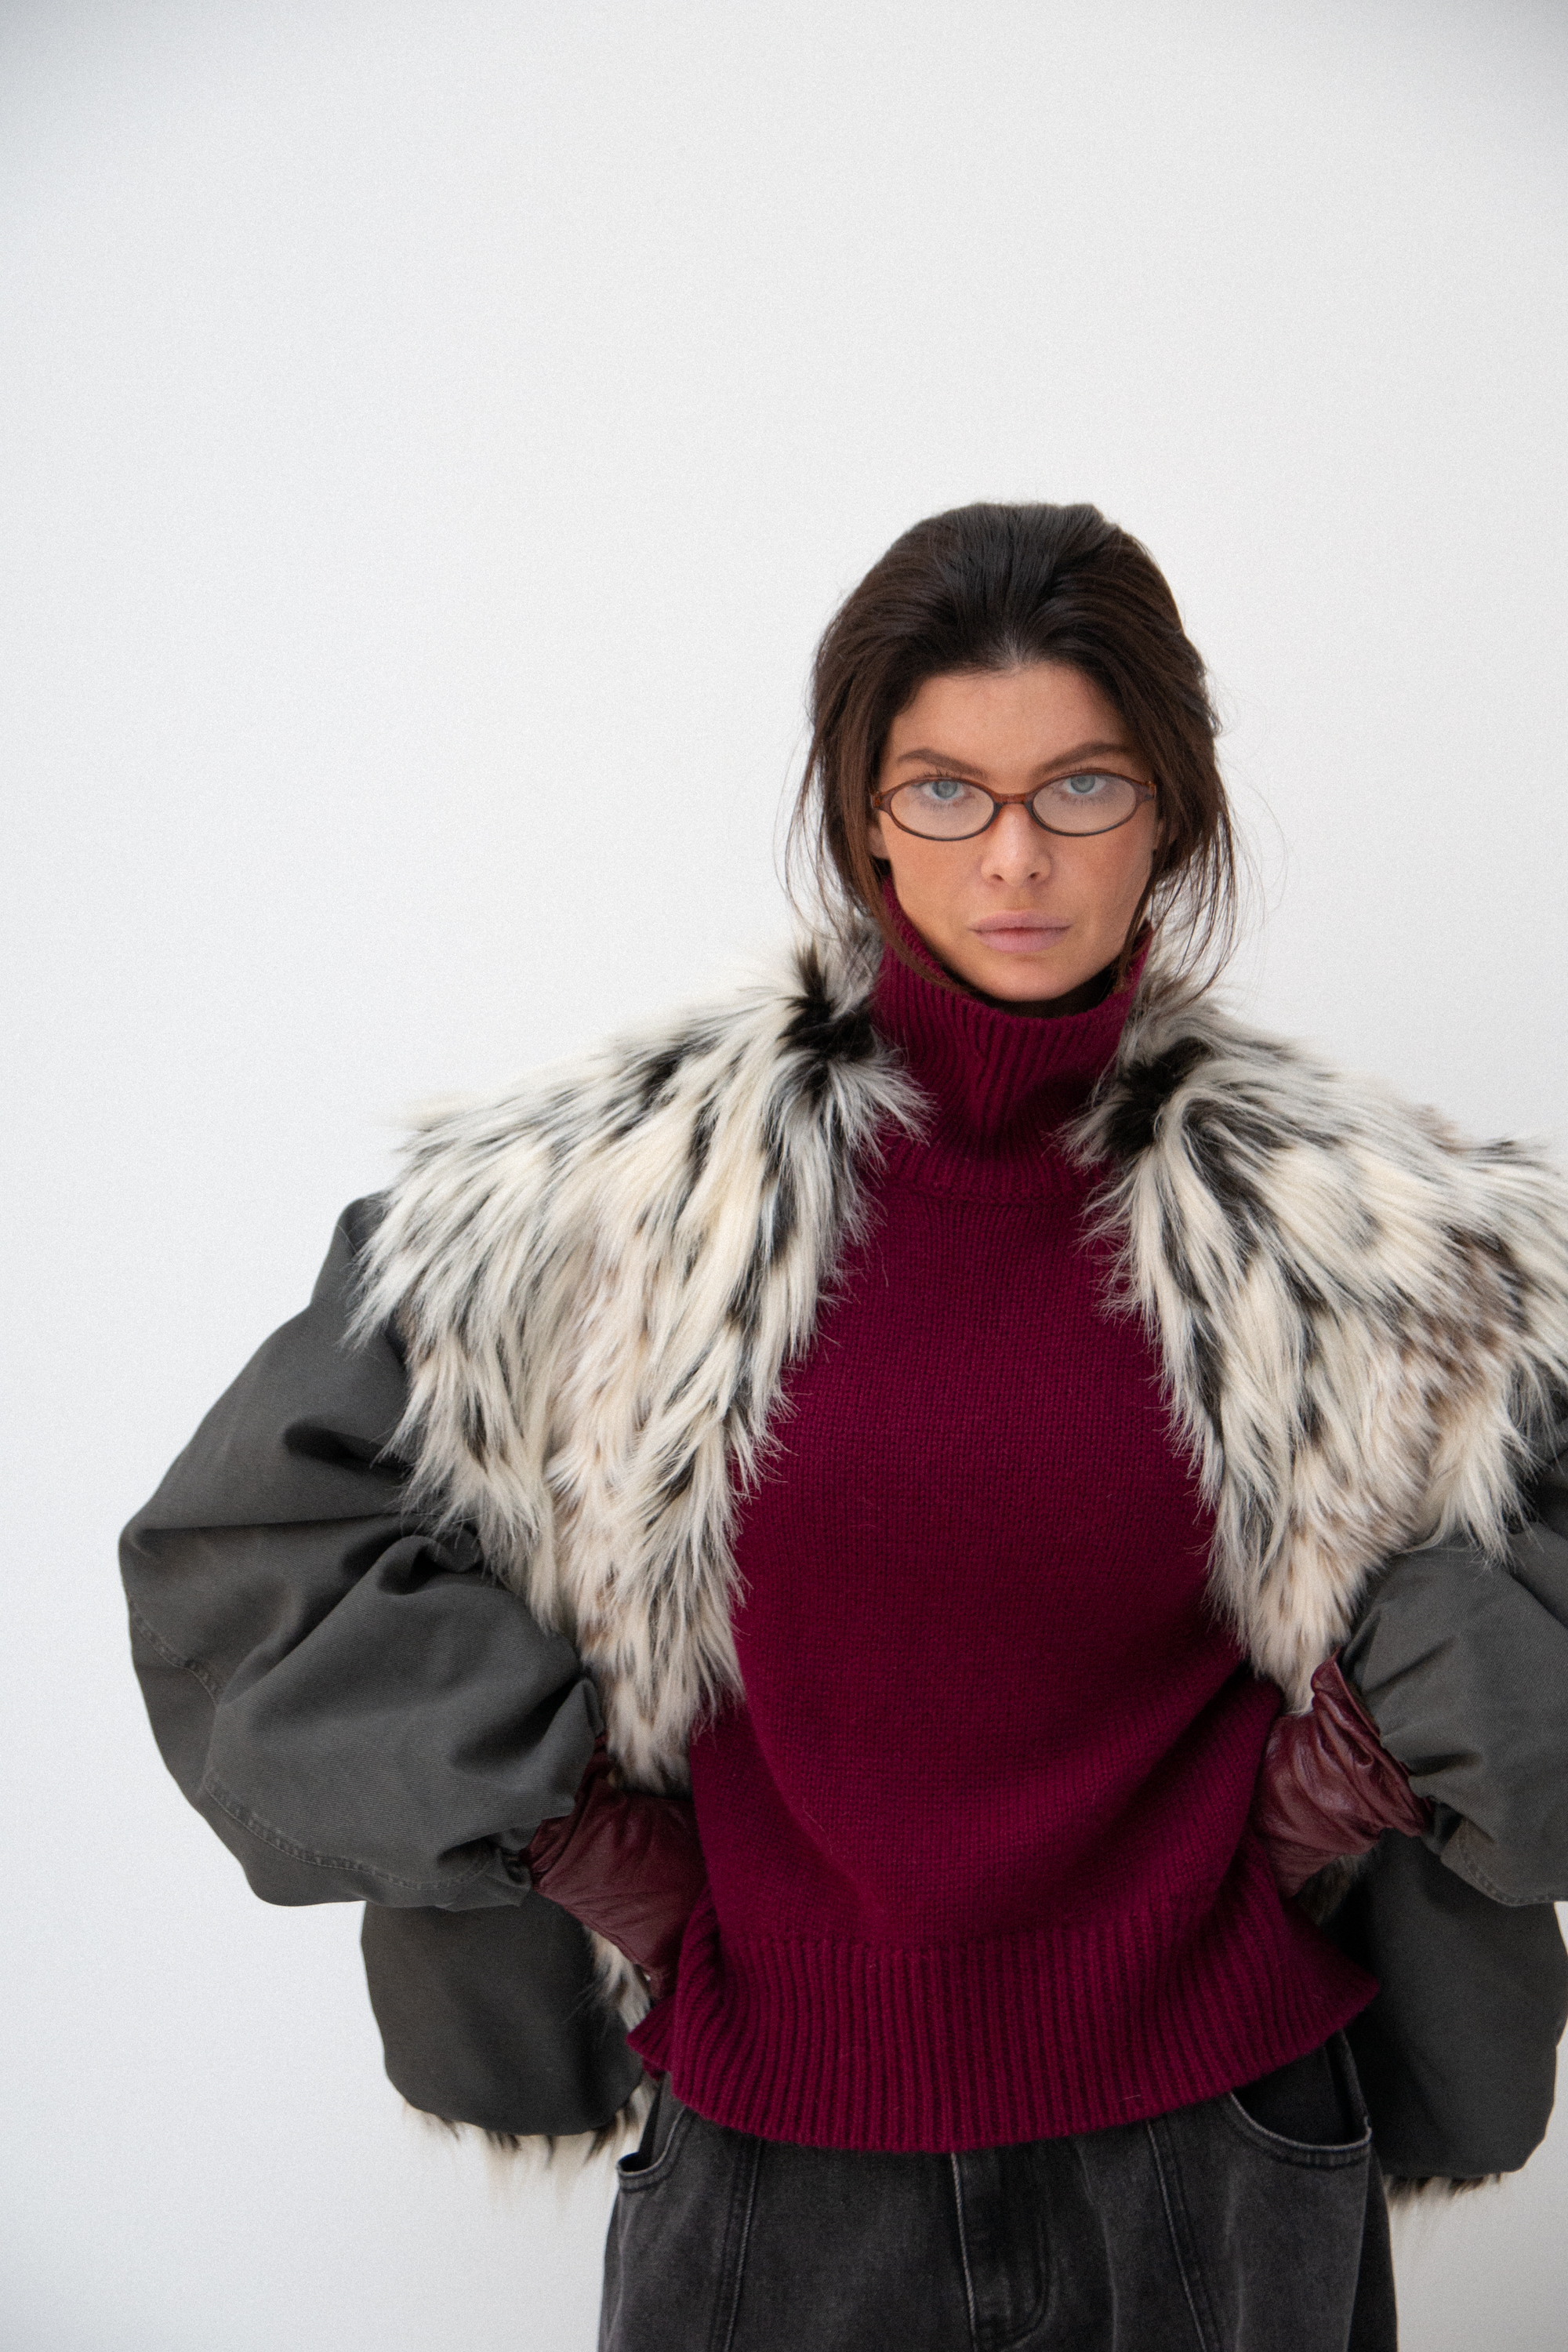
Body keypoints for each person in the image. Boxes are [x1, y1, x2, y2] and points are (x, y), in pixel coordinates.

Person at [122, 503, 1568, 2352]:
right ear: (866, 816)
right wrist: (577, 1834)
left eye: (1083, 786)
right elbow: (251, 1565)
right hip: (768, 2172)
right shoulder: (606, 1207)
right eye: (946, 791)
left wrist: (1349, 1778)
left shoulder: (1371, 1241)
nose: (1015, 855)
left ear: (1173, 813)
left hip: (1222, 2149)